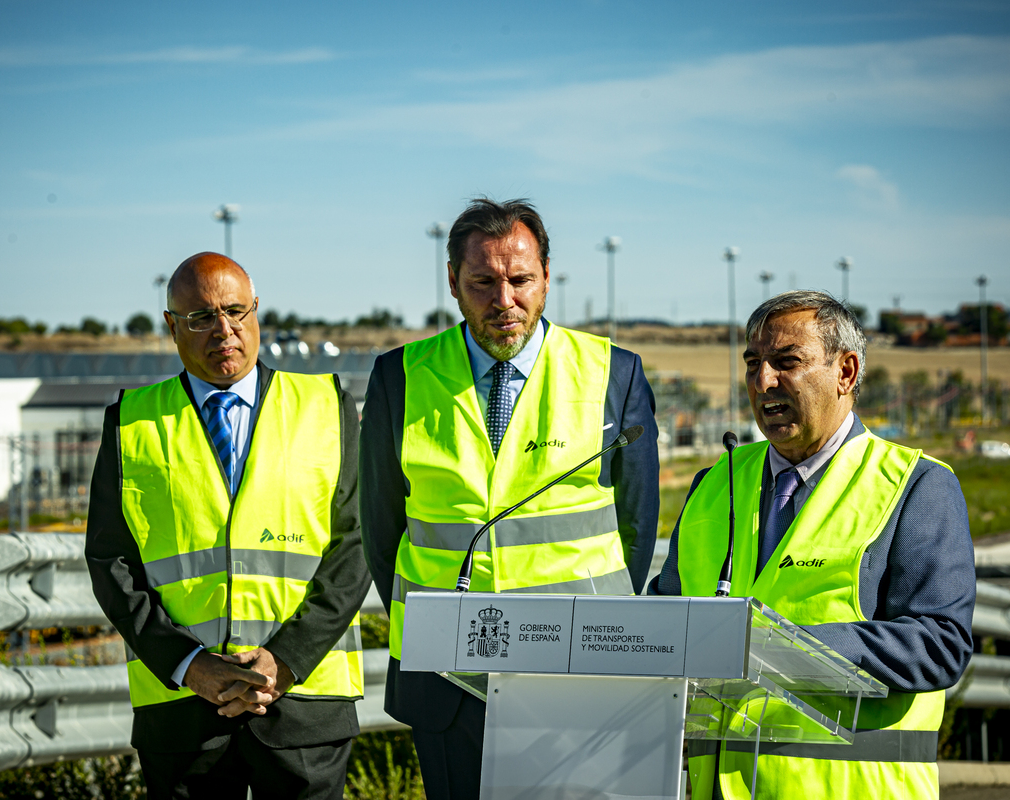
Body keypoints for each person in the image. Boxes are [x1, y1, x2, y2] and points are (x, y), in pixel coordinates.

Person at [360, 198, 661, 800]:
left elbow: (637, 528)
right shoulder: (399, 376)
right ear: (453, 282)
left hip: (578, 669)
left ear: (547, 276)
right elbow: (381, 526)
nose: (504, 301)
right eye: (483, 282)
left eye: (521, 280)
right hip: (446, 672)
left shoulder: (613, 374)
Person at [650, 290, 975, 799]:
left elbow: (939, 645)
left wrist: (779, 649)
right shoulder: (714, 483)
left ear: (846, 372)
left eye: (787, 362)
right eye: (753, 363)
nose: (763, 382)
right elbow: (667, 617)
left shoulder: (915, 486)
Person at [85, 252, 370, 800]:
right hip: (183, 710)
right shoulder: (130, 421)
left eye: (236, 312)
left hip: (303, 704)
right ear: (171, 325)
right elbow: (110, 562)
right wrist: (190, 665)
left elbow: (355, 546)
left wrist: (284, 661)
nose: (224, 331)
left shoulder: (326, 406)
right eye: (201, 318)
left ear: (257, 311)